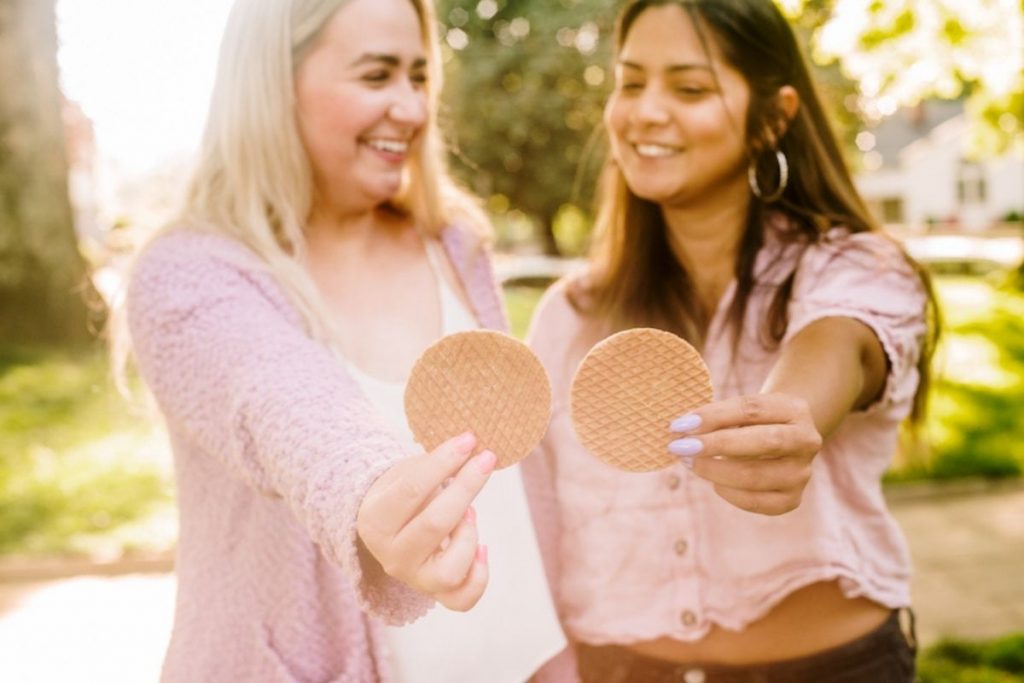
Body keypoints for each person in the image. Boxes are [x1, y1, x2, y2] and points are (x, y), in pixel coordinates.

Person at [120, 0, 565, 680]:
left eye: (418, 77)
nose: (413, 109)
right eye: (376, 75)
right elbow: (276, 398)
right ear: (274, 84)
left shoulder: (455, 242)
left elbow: (510, 479)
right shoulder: (189, 275)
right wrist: (369, 488)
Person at [521, 1, 939, 681]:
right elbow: (535, 526)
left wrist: (787, 415)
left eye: (689, 88)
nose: (646, 111)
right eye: (630, 83)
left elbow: (839, 340)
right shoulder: (570, 315)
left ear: (773, 117)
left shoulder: (856, 269)